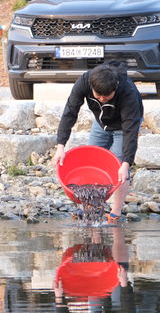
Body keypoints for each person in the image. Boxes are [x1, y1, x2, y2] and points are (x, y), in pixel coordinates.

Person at [52, 62, 143, 223]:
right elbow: (70, 112)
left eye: (105, 97)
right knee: (92, 162)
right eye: (97, 96)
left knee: (119, 168)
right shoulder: (84, 82)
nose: (101, 99)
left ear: (115, 88)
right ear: (91, 86)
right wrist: (60, 146)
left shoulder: (128, 93)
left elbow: (131, 131)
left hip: (124, 126)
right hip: (101, 123)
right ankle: (93, 209)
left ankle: (115, 213)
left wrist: (126, 163)